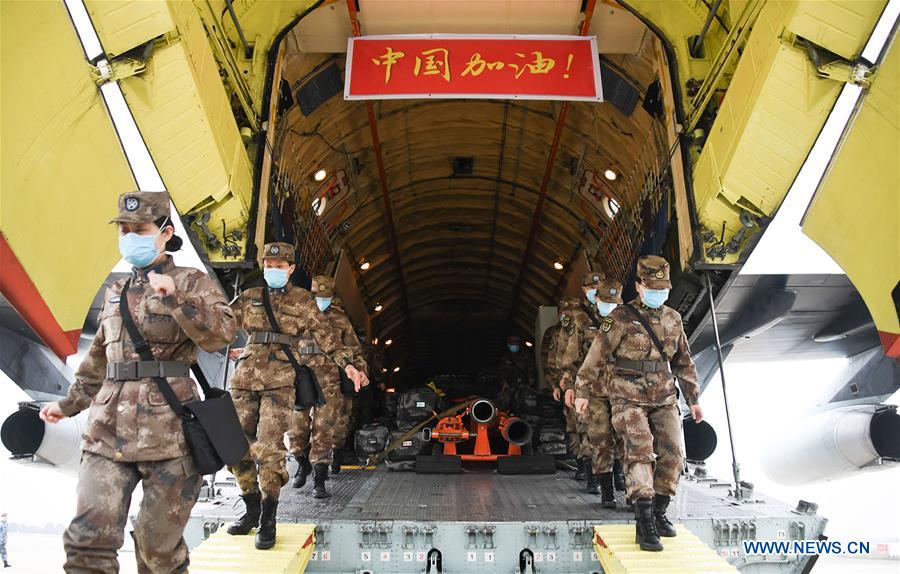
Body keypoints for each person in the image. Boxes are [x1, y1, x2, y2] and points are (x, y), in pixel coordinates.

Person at [39, 191, 238, 573]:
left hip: (170, 435)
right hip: (106, 431)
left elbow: (222, 335)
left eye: (140, 230)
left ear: (165, 233)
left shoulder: (191, 282)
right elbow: (99, 357)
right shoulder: (116, 292)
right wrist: (68, 405)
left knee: (157, 551)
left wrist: (177, 299)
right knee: (87, 542)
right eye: (124, 230)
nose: (130, 237)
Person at [226, 244, 367, 549]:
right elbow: (218, 326)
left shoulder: (303, 301)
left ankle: (268, 517)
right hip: (244, 380)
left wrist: (349, 366)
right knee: (234, 446)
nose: (272, 269)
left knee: (270, 447)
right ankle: (251, 506)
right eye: (269, 264)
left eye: (279, 265)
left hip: (280, 382)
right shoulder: (249, 297)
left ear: (290, 269)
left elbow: (328, 337)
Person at [575, 255, 702, 552]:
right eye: (653, 288)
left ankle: (659, 511)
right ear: (640, 286)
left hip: (664, 395)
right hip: (627, 395)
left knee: (673, 453)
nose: (659, 293)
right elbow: (596, 355)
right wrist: (581, 390)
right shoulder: (620, 317)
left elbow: (683, 362)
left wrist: (694, 399)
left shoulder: (673, 318)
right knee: (640, 450)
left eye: (663, 288)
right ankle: (643, 521)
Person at [286, 275, 367, 491]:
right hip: (302, 378)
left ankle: (319, 479)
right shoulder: (297, 314)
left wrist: (360, 371)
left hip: (330, 380)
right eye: (317, 296)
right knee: (296, 428)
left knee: (323, 429)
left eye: (325, 296)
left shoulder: (340, 320)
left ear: (332, 297)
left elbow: (355, 350)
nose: (321, 300)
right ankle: (302, 463)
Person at [568, 276, 625, 509]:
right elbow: (572, 356)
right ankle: (606, 488)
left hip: (624, 389)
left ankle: (623, 478)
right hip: (594, 389)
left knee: (625, 437)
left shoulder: (629, 318)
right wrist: (570, 386)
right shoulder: (580, 318)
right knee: (600, 438)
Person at [558, 271, 610, 492]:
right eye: (591, 288)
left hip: (616, 385)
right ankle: (592, 476)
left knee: (618, 434)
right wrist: (567, 384)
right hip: (587, 386)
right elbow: (567, 353)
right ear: (584, 290)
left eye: (599, 287)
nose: (595, 292)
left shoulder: (617, 313)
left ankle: (618, 478)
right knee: (588, 431)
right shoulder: (576, 318)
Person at [496, 335, 535, 412]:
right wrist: (504, 382)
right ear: (508, 345)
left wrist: (531, 379)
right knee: (506, 403)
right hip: (509, 384)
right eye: (512, 344)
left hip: (523, 383)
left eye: (516, 344)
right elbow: (501, 371)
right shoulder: (505, 357)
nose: (514, 346)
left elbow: (530, 368)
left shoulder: (525, 355)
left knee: (522, 402)